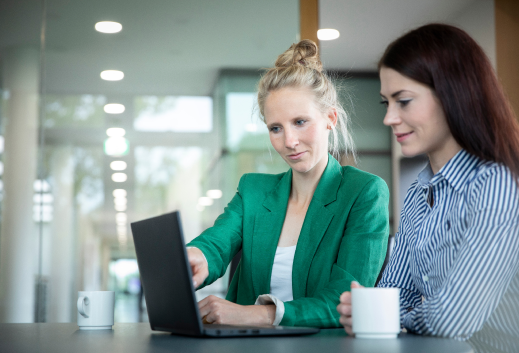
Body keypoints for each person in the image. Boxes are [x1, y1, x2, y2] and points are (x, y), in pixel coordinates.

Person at [337, 24, 519, 351]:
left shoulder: (497, 185)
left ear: (454, 94)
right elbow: (396, 291)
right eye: (385, 103)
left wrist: (390, 317)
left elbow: (455, 320)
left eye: (403, 101)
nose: (389, 118)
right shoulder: (418, 194)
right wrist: (372, 311)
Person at [187, 40, 390, 328]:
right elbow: (217, 242)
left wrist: (259, 315)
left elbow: (346, 298)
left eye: (300, 122)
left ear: (330, 118)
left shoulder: (363, 192)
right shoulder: (253, 190)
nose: (289, 142)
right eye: (276, 128)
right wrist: (198, 256)